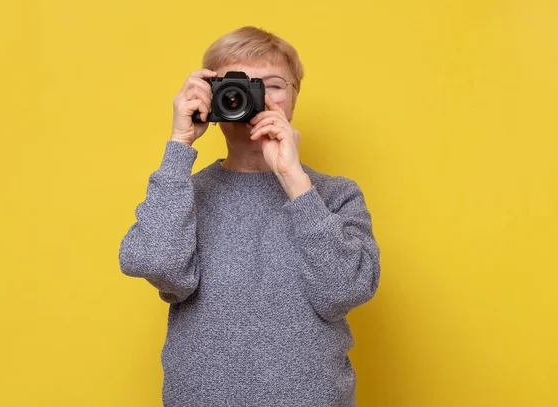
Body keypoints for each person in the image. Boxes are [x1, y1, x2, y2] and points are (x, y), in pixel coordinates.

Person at [119, 26, 381, 407]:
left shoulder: (336, 194)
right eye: (236, 84)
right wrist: (179, 144)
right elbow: (158, 266)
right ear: (209, 97)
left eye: (273, 85)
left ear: (294, 98)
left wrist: (295, 181)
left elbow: (344, 292)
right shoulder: (181, 193)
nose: (254, 98)